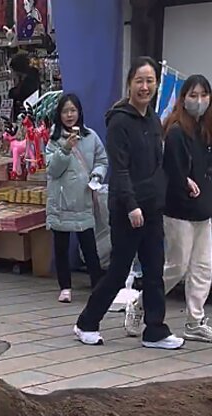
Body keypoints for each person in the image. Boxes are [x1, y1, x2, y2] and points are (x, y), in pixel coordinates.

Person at [74, 57, 184, 350]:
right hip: (127, 210)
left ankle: (155, 330)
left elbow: (158, 163)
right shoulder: (120, 121)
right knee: (119, 271)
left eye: (150, 81)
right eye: (139, 81)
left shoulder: (152, 119)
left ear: (156, 84)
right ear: (129, 84)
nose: (145, 87)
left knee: (154, 270)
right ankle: (86, 322)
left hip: (152, 208)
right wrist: (132, 204)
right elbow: (120, 169)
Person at [145, 74, 212, 341]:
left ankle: (195, 320)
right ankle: (141, 303)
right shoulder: (175, 130)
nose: (199, 101)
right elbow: (171, 169)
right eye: (193, 95)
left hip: (205, 210)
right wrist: (185, 181)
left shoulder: (206, 129)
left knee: (203, 267)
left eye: (204, 95)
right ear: (183, 98)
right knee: (177, 266)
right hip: (179, 211)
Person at [45, 93, 106, 303]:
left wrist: (97, 175)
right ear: (59, 114)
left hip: (83, 198)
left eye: (73, 110)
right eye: (65, 111)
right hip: (61, 201)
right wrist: (65, 148)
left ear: (79, 112)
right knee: (60, 246)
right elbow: (53, 170)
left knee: (89, 245)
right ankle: (65, 286)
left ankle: (97, 283)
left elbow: (102, 160)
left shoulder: (91, 137)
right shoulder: (54, 139)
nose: (69, 115)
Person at [9, 51, 42, 122]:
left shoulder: (28, 82)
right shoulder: (34, 77)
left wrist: (12, 92)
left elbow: (19, 96)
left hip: (26, 117)